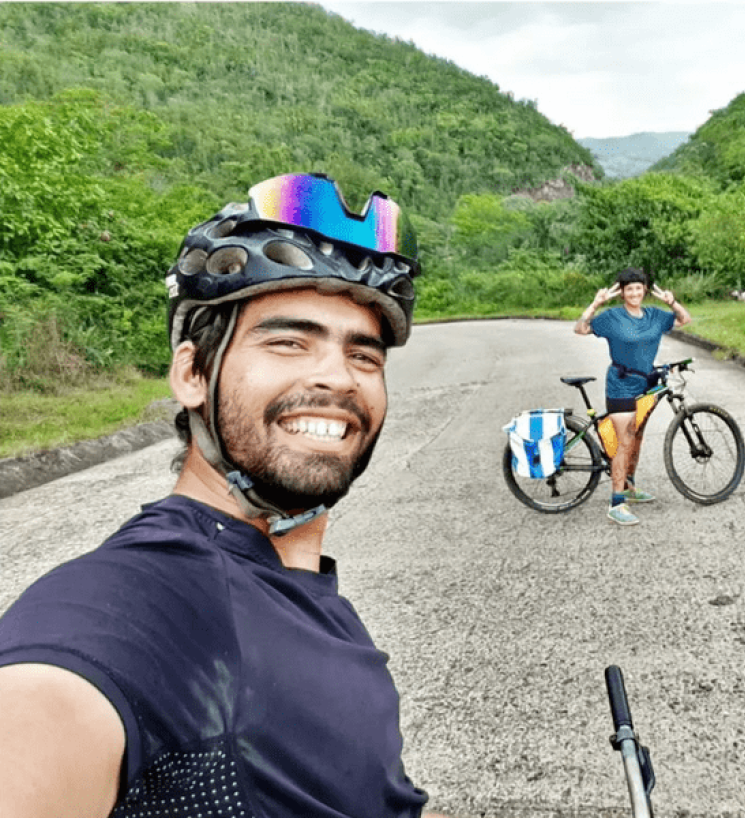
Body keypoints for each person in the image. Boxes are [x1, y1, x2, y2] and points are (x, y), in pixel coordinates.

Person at [0, 173, 446, 818]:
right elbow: (46, 704)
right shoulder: (132, 600)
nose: (336, 377)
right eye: (288, 342)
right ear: (192, 373)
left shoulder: (283, 571)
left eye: (364, 356)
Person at [574, 267, 691, 525]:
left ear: (644, 291)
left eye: (639, 288)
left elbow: (684, 319)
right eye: (630, 289)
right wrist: (595, 304)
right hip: (621, 385)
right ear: (623, 293)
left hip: (645, 383)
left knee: (636, 438)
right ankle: (616, 503)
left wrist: (672, 302)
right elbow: (580, 329)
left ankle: (629, 486)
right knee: (625, 442)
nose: (635, 293)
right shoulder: (612, 317)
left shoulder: (654, 316)